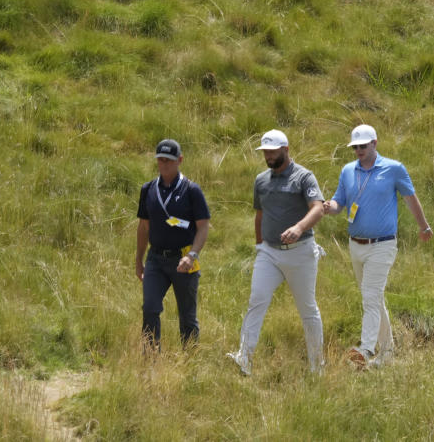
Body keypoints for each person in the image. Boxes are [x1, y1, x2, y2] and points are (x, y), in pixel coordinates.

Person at [322, 124, 432, 370]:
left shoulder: (394, 169)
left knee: (370, 296)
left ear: (375, 143)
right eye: (355, 147)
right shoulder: (348, 171)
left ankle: (366, 348)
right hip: (355, 245)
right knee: (374, 298)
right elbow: (340, 202)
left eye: (363, 146)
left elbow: (410, 198)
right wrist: (330, 207)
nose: (359, 150)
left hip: (383, 244)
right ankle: (388, 351)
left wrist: (423, 226)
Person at [227, 129, 326, 375]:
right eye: (265, 152)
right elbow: (259, 215)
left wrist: (299, 227)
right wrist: (259, 244)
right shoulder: (261, 180)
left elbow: (318, 208)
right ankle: (244, 358)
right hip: (269, 253)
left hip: (300, 252)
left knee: (307, 309)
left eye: (272, 151)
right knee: (256, 301)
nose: (268, 156)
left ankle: (317, 366)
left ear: (286, 149)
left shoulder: (304, 177)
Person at [136, 139, 211, 348]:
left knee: (187, 316)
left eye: (169, 160)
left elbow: (203, 227)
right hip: (156, 259)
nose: (164, 164)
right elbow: (143, 227)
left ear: (180, 160)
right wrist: (138, 260)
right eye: (160, 160)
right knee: (150, 308)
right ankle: (151, 360)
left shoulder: (191, 190)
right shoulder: (148, 189)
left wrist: (192, 255)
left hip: (184, 258)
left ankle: (189, 363)